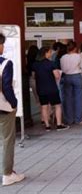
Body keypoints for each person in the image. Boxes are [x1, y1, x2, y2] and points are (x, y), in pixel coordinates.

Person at [0, 33, 25, 186]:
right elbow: (7, 87)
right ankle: (7, 173)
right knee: (7, 140)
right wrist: (14, 103)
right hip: (3, 107)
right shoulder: (5, 63)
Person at [32, 47, 69, 131]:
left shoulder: (35, 64)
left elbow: (34, 76)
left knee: (44, 107)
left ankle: (47, 126)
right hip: (51, 88)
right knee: (57, 105)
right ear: (45, 53)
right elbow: (57, 76)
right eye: (49, 52)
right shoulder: (51, 64)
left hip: (40, 88)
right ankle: (59, 125)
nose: (51, 54)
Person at [60, 41, 82, 125]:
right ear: (75, 48)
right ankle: (78, 119)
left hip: (66, 77)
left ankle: (69, 119)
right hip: (77, 76)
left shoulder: (63, 57)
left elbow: (62, 69)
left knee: (68, 99)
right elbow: (81, 67)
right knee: (78, 98)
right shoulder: (78, 56)